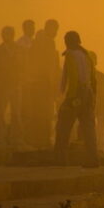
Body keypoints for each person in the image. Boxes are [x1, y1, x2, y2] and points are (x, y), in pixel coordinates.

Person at [55, 31, 99, 167]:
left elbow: (73, 77)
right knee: (88, 129)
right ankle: (93, 160)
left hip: (76, 94)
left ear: (67, 42)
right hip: (88, 94)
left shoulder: (70, 55)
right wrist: (93, 98)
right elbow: (94, 79)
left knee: (63, 127)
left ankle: (61, 160)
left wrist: (71, 98)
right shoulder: (87, 56)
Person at [26, 19, 61, 148]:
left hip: (38, 83)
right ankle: (43, 141)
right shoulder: (47, 43)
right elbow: (48, 66)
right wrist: (53, 83)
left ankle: (39, 140)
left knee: (39, 112)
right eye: (55, 29)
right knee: (44, 113)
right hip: (43, 84)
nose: (56, 32)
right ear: (49, 28)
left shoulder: (38, 42)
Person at [0, 26, 22, 145]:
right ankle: (0, 138)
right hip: (3, 87)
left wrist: (20, 81)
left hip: (16, 86)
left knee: (16, 113)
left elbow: (25, 67)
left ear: (13, 35)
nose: (5, 36)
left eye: (8, 34)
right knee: (0, 113)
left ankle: (15, 138)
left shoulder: (19, 50)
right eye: (4, 34)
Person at [88, 51, 104, 155]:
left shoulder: (102, 78)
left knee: (99, 136)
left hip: (98, 113)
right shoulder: (102, 78)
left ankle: (101, 155)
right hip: (90, 113)